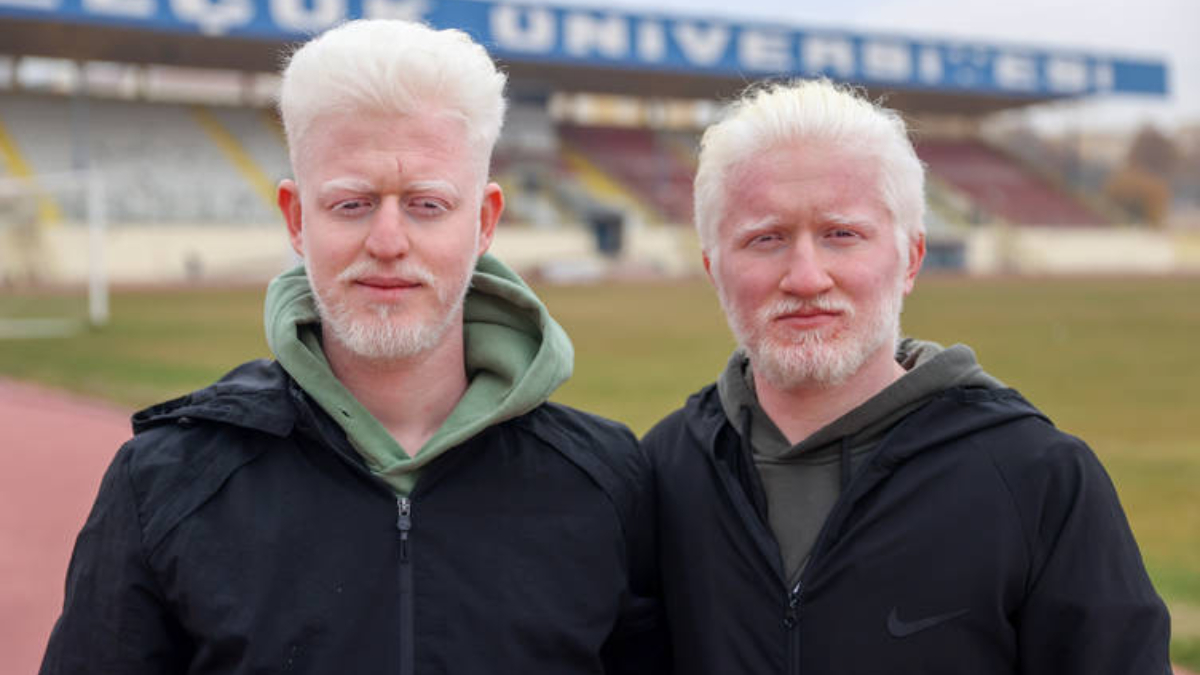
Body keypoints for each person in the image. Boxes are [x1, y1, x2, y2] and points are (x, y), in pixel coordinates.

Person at [41, 20, 662, 675]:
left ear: (483, 222)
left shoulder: (606, 482)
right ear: (296, 219)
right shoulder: (164, 483)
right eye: (351, 204)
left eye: (427, 204)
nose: (388, 241)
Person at [643, 78, 1170, 675]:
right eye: (766, 239)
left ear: (912, 258)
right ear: (714, 269)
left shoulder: (1037, 478)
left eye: (842, 234)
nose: (806, 277)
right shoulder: (663, 472)